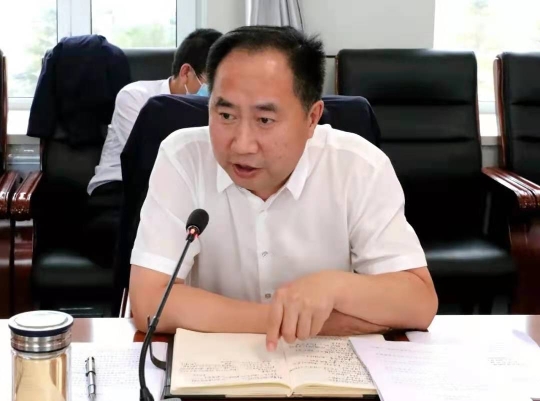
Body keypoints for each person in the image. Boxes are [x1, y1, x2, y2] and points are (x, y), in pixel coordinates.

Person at [129, 26, 438, 349]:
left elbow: (418, 302)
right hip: (210, 366)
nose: (242, 145)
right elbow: (149, 301)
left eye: (265, 120)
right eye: (226, 115)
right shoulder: (183, 157)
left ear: (312, 118)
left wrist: (333, 288)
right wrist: (296, 323)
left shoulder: (358, 166)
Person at [82, 28, 222, 268]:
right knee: (151, 239)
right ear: (186, 72)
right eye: (213, 83)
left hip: (181, 198)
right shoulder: (136, 97)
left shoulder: (219, 108)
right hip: (119, 195)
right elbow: (145, 161)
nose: (217, 93)